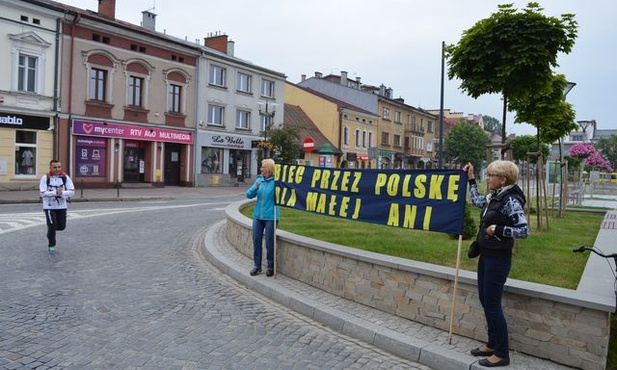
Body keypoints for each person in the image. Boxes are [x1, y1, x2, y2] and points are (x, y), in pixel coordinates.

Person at [462, 160, 528, 368]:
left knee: (492, 304)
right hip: (487, 255)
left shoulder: (511, 200)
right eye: (487, 174)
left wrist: (497, 230)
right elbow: (477, 202)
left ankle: (501, 353)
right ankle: (492, 344)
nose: (487, 178)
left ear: (503, 179)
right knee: (485, 299)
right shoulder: (495, 197)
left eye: (491, 175)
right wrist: (471, 179)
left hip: (498, 260)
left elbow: (523, 231)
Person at [246, 158, 279, 277]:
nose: (261, 169)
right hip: (258, 216)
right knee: (256, 241)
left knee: (270, 242)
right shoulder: (259, 180)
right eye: (261, 167)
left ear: (269, 169)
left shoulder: (276, 182)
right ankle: (257, 266)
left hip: (271, 216)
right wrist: (255, 187)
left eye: (263, 167)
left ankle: (270, 266)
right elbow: (248, 195)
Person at [39, 160, 75, 254]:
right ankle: (51, 245)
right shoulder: (45, 178)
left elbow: (72, 191)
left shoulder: (64, 177)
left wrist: (62, 192)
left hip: (61, 206)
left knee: (62, 226)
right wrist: (55, 192)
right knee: (52, 226)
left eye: (59, 167)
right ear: (50, 168)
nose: (57, 169)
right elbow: (42, 193)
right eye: (54, 167)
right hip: (49, 207)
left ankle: (50, 230)